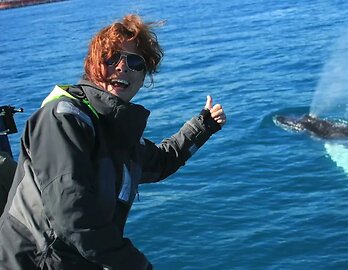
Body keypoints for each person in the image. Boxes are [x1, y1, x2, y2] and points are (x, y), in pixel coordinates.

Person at [0, 14, 226, 270]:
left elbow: (161, 161)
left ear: (144, 76)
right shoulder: (63, 119)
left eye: (135, 61)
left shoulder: (113, 129)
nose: (122, 66)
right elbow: (72, 214)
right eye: (111, 57)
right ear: (92, 65)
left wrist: (203, 125)